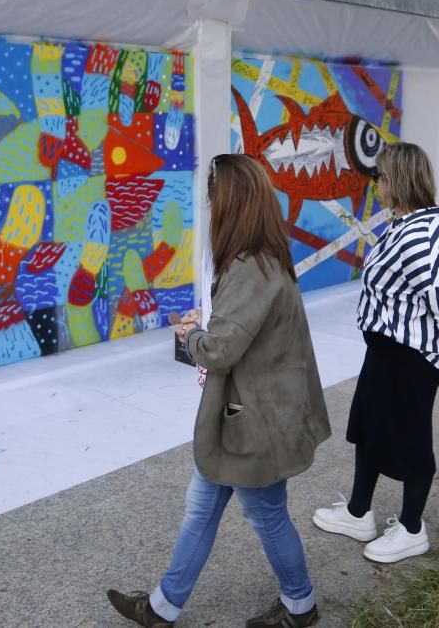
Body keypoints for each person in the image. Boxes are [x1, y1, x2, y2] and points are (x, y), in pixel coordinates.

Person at [107, 154, 331, 627]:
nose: (209, 208)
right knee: (201, 508)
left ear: (230, 203)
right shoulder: (265, 257)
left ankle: (300, 606)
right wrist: (206, 328)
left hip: (253, 425)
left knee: (267, 516)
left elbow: (221, 349)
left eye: (212, 199)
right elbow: (240, 335)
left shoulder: (249, 267)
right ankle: (163, 607)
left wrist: (190, 335)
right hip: (247, 419)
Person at [312, 142, 439, 564]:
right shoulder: (408, 223)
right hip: (388, 350)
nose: (375, 185)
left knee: (411, 440)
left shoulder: (417, 234)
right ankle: (357, 512)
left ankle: (411, 528)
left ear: (397, 181)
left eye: (380, 177)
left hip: (411, 357)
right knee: (368, 427)